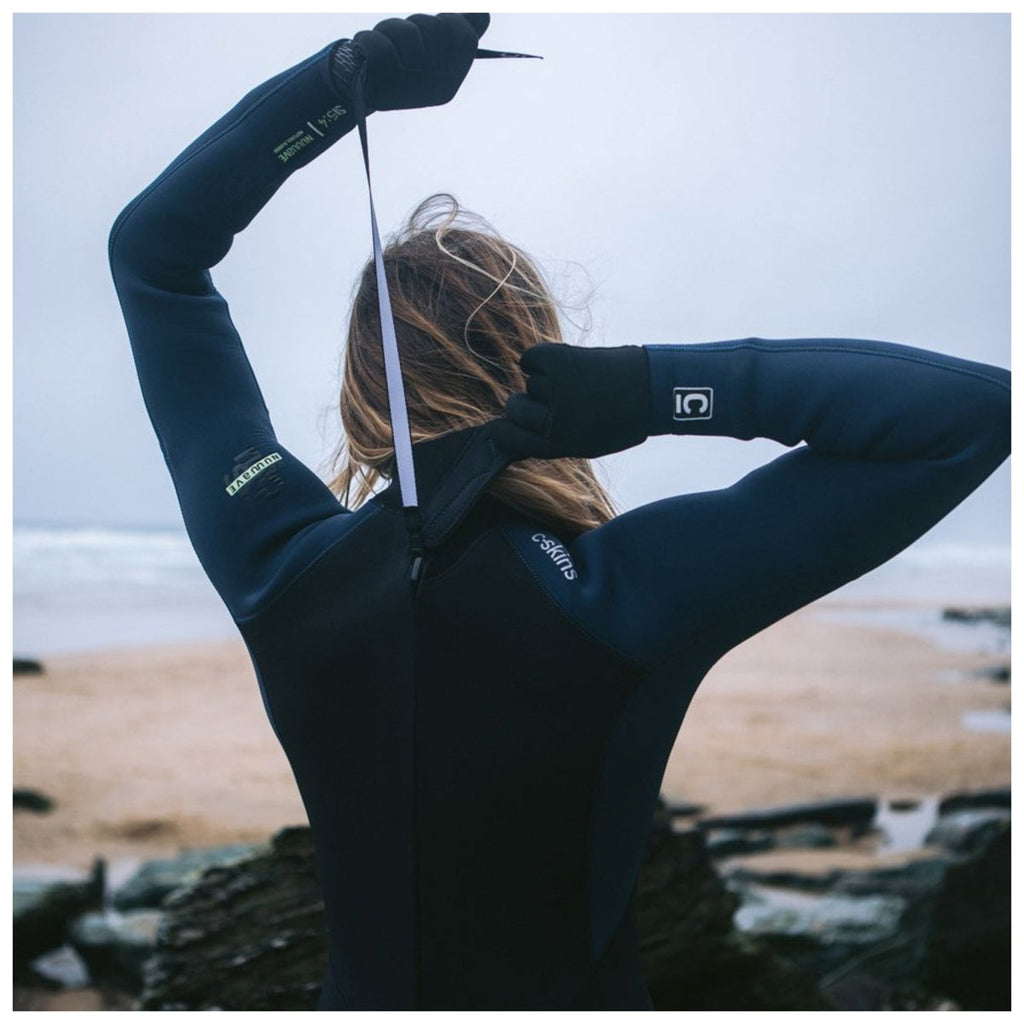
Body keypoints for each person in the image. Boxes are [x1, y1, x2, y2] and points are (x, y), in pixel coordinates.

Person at [108, 12, 1011, 1011]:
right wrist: (656, 388)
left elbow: (154, 255)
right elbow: (968, 417)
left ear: (363, 395)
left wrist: (337, 86)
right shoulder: (626, 594)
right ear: (540, 355)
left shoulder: (276, 561)